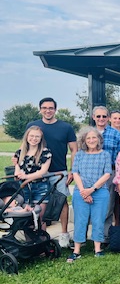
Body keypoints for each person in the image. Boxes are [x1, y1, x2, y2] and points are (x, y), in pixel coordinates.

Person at [27, 97, 77, 247]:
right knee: (39, 203)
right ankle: (41, 235)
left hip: (59, 171)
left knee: (61, 202)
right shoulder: (33, 125)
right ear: (40, 109)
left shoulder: (65, 127)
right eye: (44, 107)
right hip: (37, 173)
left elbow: (74, 149)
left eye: (51, 108)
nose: (48, 110)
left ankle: (64, 234)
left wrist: (72, 170)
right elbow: (26, 145)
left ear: (55, 109)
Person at [67, 127, 112, 263]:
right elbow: (75, 173)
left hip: (100, 192)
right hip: (80, 192)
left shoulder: (105, 154)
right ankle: (77, 251)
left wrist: (91, 190)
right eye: (88, 138)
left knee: (98, 220)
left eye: (94, 137)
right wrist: (83, 191)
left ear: (99, 139)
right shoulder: (79, 154)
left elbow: (107, 174)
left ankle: (97, 249)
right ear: (84, 140)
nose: (91, 140)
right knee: (80, 220)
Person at [92, 105, 120, 243]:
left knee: (107, 204)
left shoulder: (116, 134)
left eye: (104, 116)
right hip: (91, 173)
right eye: (98, 116)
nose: (101, 119)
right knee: (92, 203)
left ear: (108, 118)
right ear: (93, 117)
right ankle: (92, 234)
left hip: (110, 172)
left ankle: (104, 236)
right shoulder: (87, 133)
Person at [14, 126, 52, 218]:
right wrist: (18, 174)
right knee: (26, 216)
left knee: (40, 216)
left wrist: (26, 177)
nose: (34, 139)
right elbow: (17, 168)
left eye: (37, 137)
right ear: (27, 137)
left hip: (41, 187)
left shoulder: (45, 153)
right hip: (24, 187)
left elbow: (43, 171)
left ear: (41, 139)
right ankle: (29, 232)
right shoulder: (20, 152)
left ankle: (41, 232)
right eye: (31, 136)